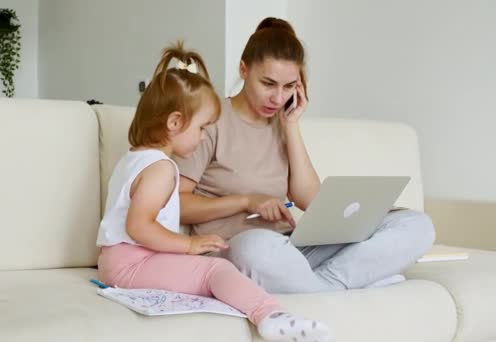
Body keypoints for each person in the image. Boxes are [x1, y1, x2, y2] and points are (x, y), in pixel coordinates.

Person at [175, 17, 436, 294]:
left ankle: (320, 288)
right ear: (243, 69)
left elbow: (309, 200)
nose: (277, 98)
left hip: (292, 250)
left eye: (288, 87)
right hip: (237, 250)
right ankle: (351, 283)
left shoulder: (283, 122)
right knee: (256, 246)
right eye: (268, 83)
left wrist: (291, 126)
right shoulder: (210, 120)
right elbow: (177, 204)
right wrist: (245, 201)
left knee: (416, 225)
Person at [96, 41, 331, 341]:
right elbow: (138, 226)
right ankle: (269, 315)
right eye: (202, 128)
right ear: (175, 122)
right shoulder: (161, 169)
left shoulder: (135, 158)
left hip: (124, 261)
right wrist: (188, 246)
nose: (204, 136)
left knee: (212, 269)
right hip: (131, 264)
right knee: (214, 271)